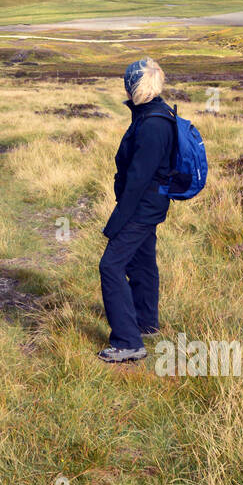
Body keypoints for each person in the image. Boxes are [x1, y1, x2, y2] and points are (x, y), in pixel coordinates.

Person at [97, 58, 175, 363]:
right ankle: (145, 322)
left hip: (142, 207)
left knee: (111, 266)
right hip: (150, 204)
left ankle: (128, 342)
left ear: (134, 87)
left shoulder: (153, 124)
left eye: (127, 82)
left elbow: (138, 181)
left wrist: (116, 222)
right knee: (142, 262)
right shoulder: (153, 114)